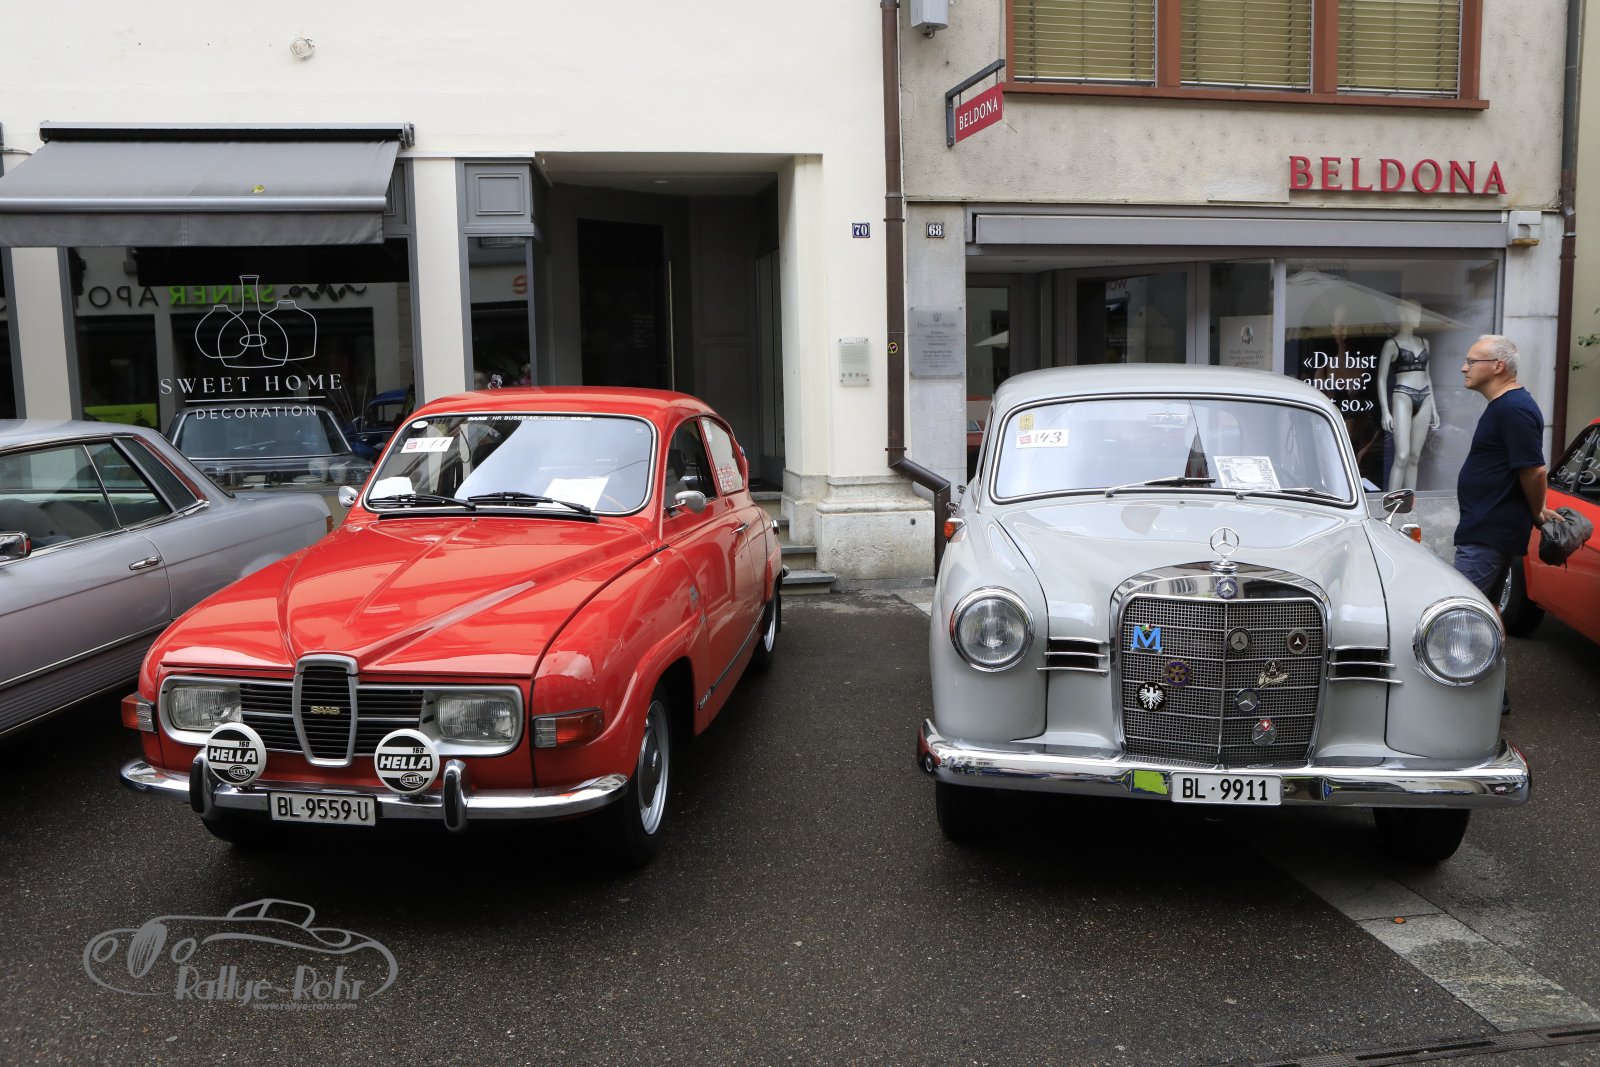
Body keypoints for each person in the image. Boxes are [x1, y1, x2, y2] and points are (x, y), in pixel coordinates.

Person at [1452, 334, 1558, 602]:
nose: (1464, 368)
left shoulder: (1513, 409)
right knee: (1487, 608)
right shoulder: (1505, 406)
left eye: (1471, 362)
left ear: (1498, 366)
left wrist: (1538, 511)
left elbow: (1534, 470)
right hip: (1487, 529)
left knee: (1461, 609)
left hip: (1488, 533)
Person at [1376, 300, 1438, 490]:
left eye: (1419, 312)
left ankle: (1410, 503)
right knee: (1401, 456)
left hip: (1425, 398)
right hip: (1403, 396)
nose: (1418, 316)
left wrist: (1434, 409)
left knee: (1414, 457)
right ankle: (1391, 504)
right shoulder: (1391, 344)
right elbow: (1381, 379)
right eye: (1413, 312)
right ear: (1402, 315)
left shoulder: (1424, 343)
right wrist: (1385, 411)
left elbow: (1427, 377)